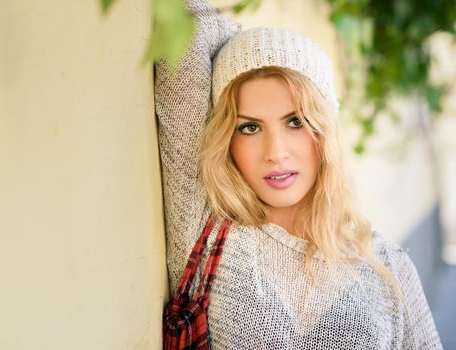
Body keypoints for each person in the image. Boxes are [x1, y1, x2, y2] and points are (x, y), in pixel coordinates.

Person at [155, 0, 442, 348]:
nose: (275, 152)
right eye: (249, 128)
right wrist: (240, 49)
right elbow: (187, 22)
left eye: (296, 121)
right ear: (226, 141)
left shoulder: (386, 267)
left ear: (324, 130)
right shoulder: (206, 230)